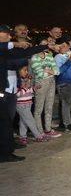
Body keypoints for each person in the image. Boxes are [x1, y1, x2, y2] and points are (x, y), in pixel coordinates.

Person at [0, 28, 49, 162]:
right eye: (6, 33)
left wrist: (45, 46)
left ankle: (8, 145)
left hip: (10, 89)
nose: (10, 36)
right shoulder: (5, 49)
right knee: (4, 121)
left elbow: (22, 56)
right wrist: (16, 46)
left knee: (8, 120)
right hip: (3, 91)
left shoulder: (7, 49)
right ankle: (5, 152)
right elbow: (13, 61)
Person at [29, 38, 61, 137]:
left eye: (46, 44)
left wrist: (49, 71)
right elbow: (39, 73)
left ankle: (48, 129)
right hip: (41, 83)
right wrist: (50, 71)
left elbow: (57, 71)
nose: (45, 46)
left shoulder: (49, 56)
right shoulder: (34, 57)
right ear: (37, 46)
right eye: (43, 44)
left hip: (51, 82)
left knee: (49, 107)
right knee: (39, 109)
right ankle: (39, 132)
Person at [15, 65, 49, 145]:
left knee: (23, 121)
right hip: (21, 104)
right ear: (18, 71)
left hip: (28, 103)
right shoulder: (16, 81)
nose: (27, 72)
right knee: (30, 121)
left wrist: (34, 88)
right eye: (24, 70)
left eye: (27, 70)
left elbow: (28, 91)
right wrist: (26, 87)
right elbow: (17, 94)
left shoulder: (25, 80)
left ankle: (22, 137)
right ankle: (38, 136)